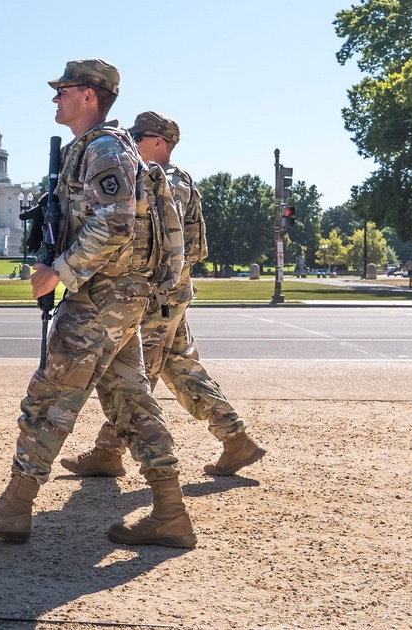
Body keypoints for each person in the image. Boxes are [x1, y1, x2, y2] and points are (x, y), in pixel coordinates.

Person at [0, 59, 196, 548]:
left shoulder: (104, 148)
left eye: (62, 90)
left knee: (49, 396)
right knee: (131, 401)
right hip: (120, 296)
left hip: (101, 296)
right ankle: (170, 513)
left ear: (89, 95)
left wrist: (58, 271)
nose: (54, 98)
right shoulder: (98, 149)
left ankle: (14, 508)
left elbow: (117, 220)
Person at [61, 112, 266, 479]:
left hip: (157, 296)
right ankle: (236, 438)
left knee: (133, 375)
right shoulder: (178, 180)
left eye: (138, 137)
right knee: (181, 368)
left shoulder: (164, 182)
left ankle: (109, 451)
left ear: (159, 141)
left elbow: (152, 242)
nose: (131, 144)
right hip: (172, 293)